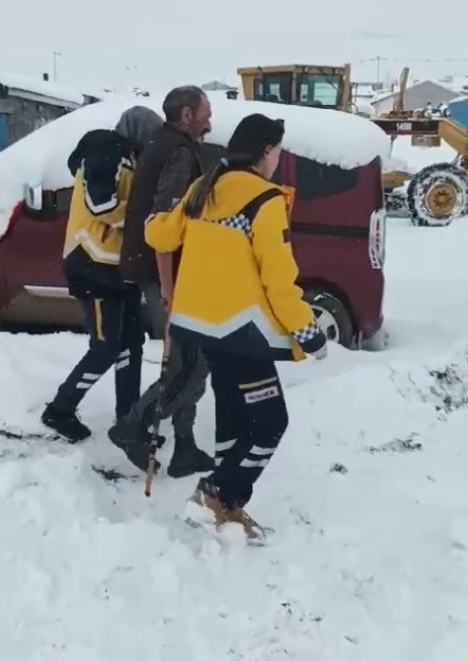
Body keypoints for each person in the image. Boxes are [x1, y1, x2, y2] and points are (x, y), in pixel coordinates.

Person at [143, 113, 328, 541]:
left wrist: (152, 216)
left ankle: (223, 507)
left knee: (233, 416)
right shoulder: (264, 201)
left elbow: (162, 236)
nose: (279, 158)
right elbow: (278, 280)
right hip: (242, 333)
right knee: (269, 422)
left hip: (202, 329)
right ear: (265, 150)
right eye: (278, 150)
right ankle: (219, 495)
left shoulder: (204, 189)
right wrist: (308, 332)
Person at [108, 85, 214, 478]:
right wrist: (168, 288)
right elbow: (162, 224)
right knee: (190, 366)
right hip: (165, 273)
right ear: (186, 115)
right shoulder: (178, 152)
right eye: (205, 111)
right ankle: (133, 425)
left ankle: (184, 446)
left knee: (188, 359)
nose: (210, 119)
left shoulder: (165, 143)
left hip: (165, 271)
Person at [41, 106, 162, 442]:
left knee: (131, 345)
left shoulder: (133, 160)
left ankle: (129, 419)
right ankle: (59, 411)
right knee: (105, 348)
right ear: (138, 132)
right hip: (92, 265)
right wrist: (144, 220)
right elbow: (102, 205)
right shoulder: (104, 151)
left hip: (120, 269)